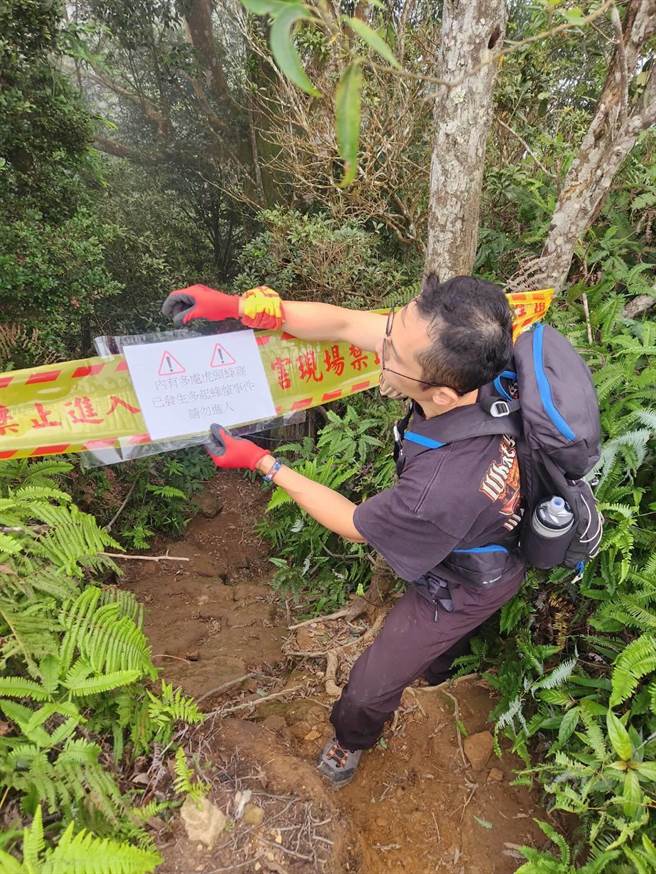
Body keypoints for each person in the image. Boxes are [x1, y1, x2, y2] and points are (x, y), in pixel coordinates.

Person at [161, 275, 526, 787]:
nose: (382, 343)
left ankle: (351, 740)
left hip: (468, 582)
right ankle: (445, 659)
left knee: (370, 684)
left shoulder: (436, 491)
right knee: (440, 641)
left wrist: (263, 462)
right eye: (394, 326)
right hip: (480, 526)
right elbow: (345, 322)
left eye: (392, 350)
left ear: (441, 393)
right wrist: (241, 307)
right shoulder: (480, 360)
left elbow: (353, 523)